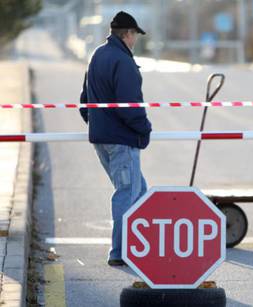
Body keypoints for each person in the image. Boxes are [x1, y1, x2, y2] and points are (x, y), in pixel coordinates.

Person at [79, 11, 151, 266]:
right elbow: (130, 106)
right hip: (122, 139)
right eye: (135, 36)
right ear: (128, 34)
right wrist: (144, 129)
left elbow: (84, 103)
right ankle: (120, 252)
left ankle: (141, 245)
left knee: (139, 191)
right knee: (127, 193)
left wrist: (98, 125)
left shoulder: (97, 55)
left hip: (102, 139)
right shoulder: (123, 61)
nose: (135, 41)